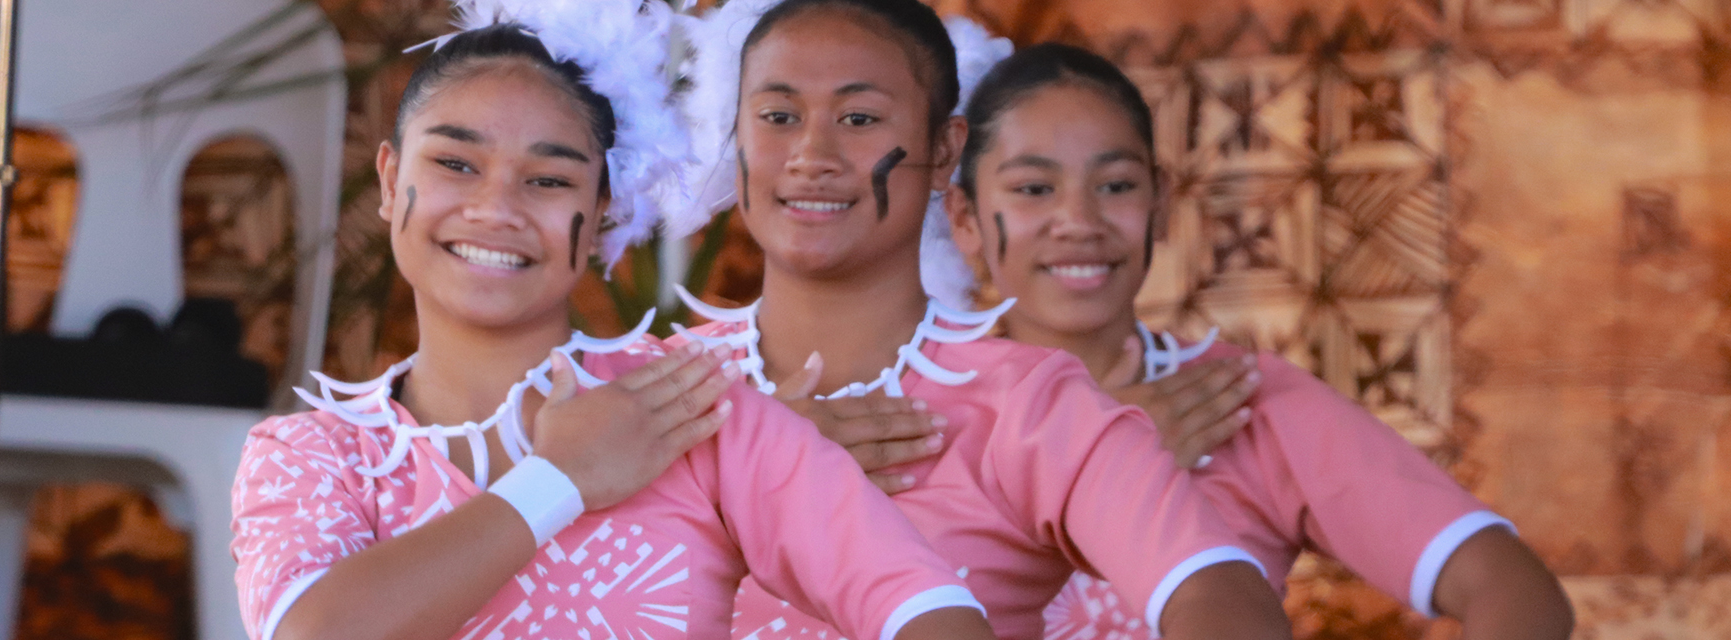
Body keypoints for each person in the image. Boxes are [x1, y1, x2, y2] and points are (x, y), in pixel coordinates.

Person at [229, 3, 999, 639]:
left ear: (602, 209)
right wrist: (558, 480)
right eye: (455, 164)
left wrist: (774, 450)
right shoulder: (311, 456)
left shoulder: (697, 414)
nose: (495, 208)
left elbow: (928, 610)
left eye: (548, 179)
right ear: (392, 176)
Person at [667, 1, 1292, 639]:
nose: (811, 155)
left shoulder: (1030, 408)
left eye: (859, 118)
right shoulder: (646, 397)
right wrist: (734, 466)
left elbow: (1223, 597)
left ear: (944, 151)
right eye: (778, 117)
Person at [935, 42, 1576, 640]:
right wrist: (1100, 461)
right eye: (1034, 189)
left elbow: (1513, 590)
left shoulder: (1242, 403)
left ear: (1161, 201)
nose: (1079, 221)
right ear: (964, 218)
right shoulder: (915, 411)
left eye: (1116, 185)